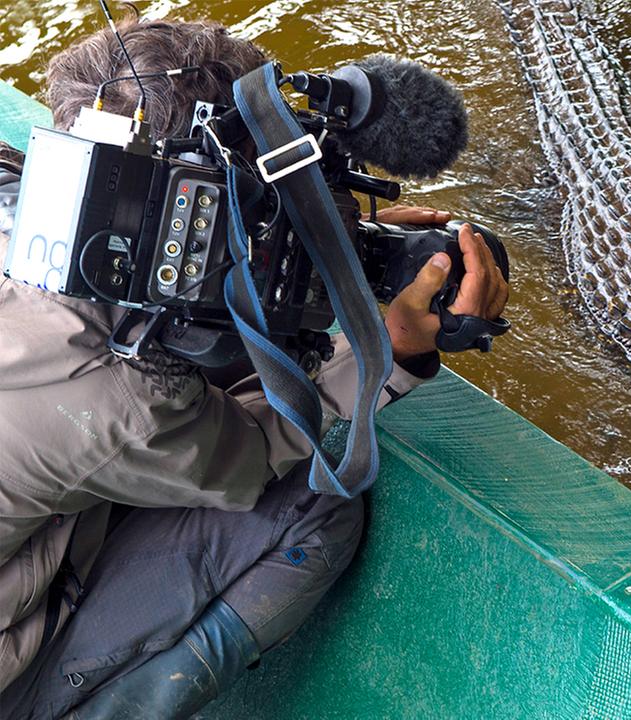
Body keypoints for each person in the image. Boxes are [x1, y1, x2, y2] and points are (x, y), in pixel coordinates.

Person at [0, 16, 508, 720]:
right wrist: (387, 347)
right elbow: (250, 457)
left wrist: (335, 242)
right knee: (314, 510)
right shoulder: (118, 398)